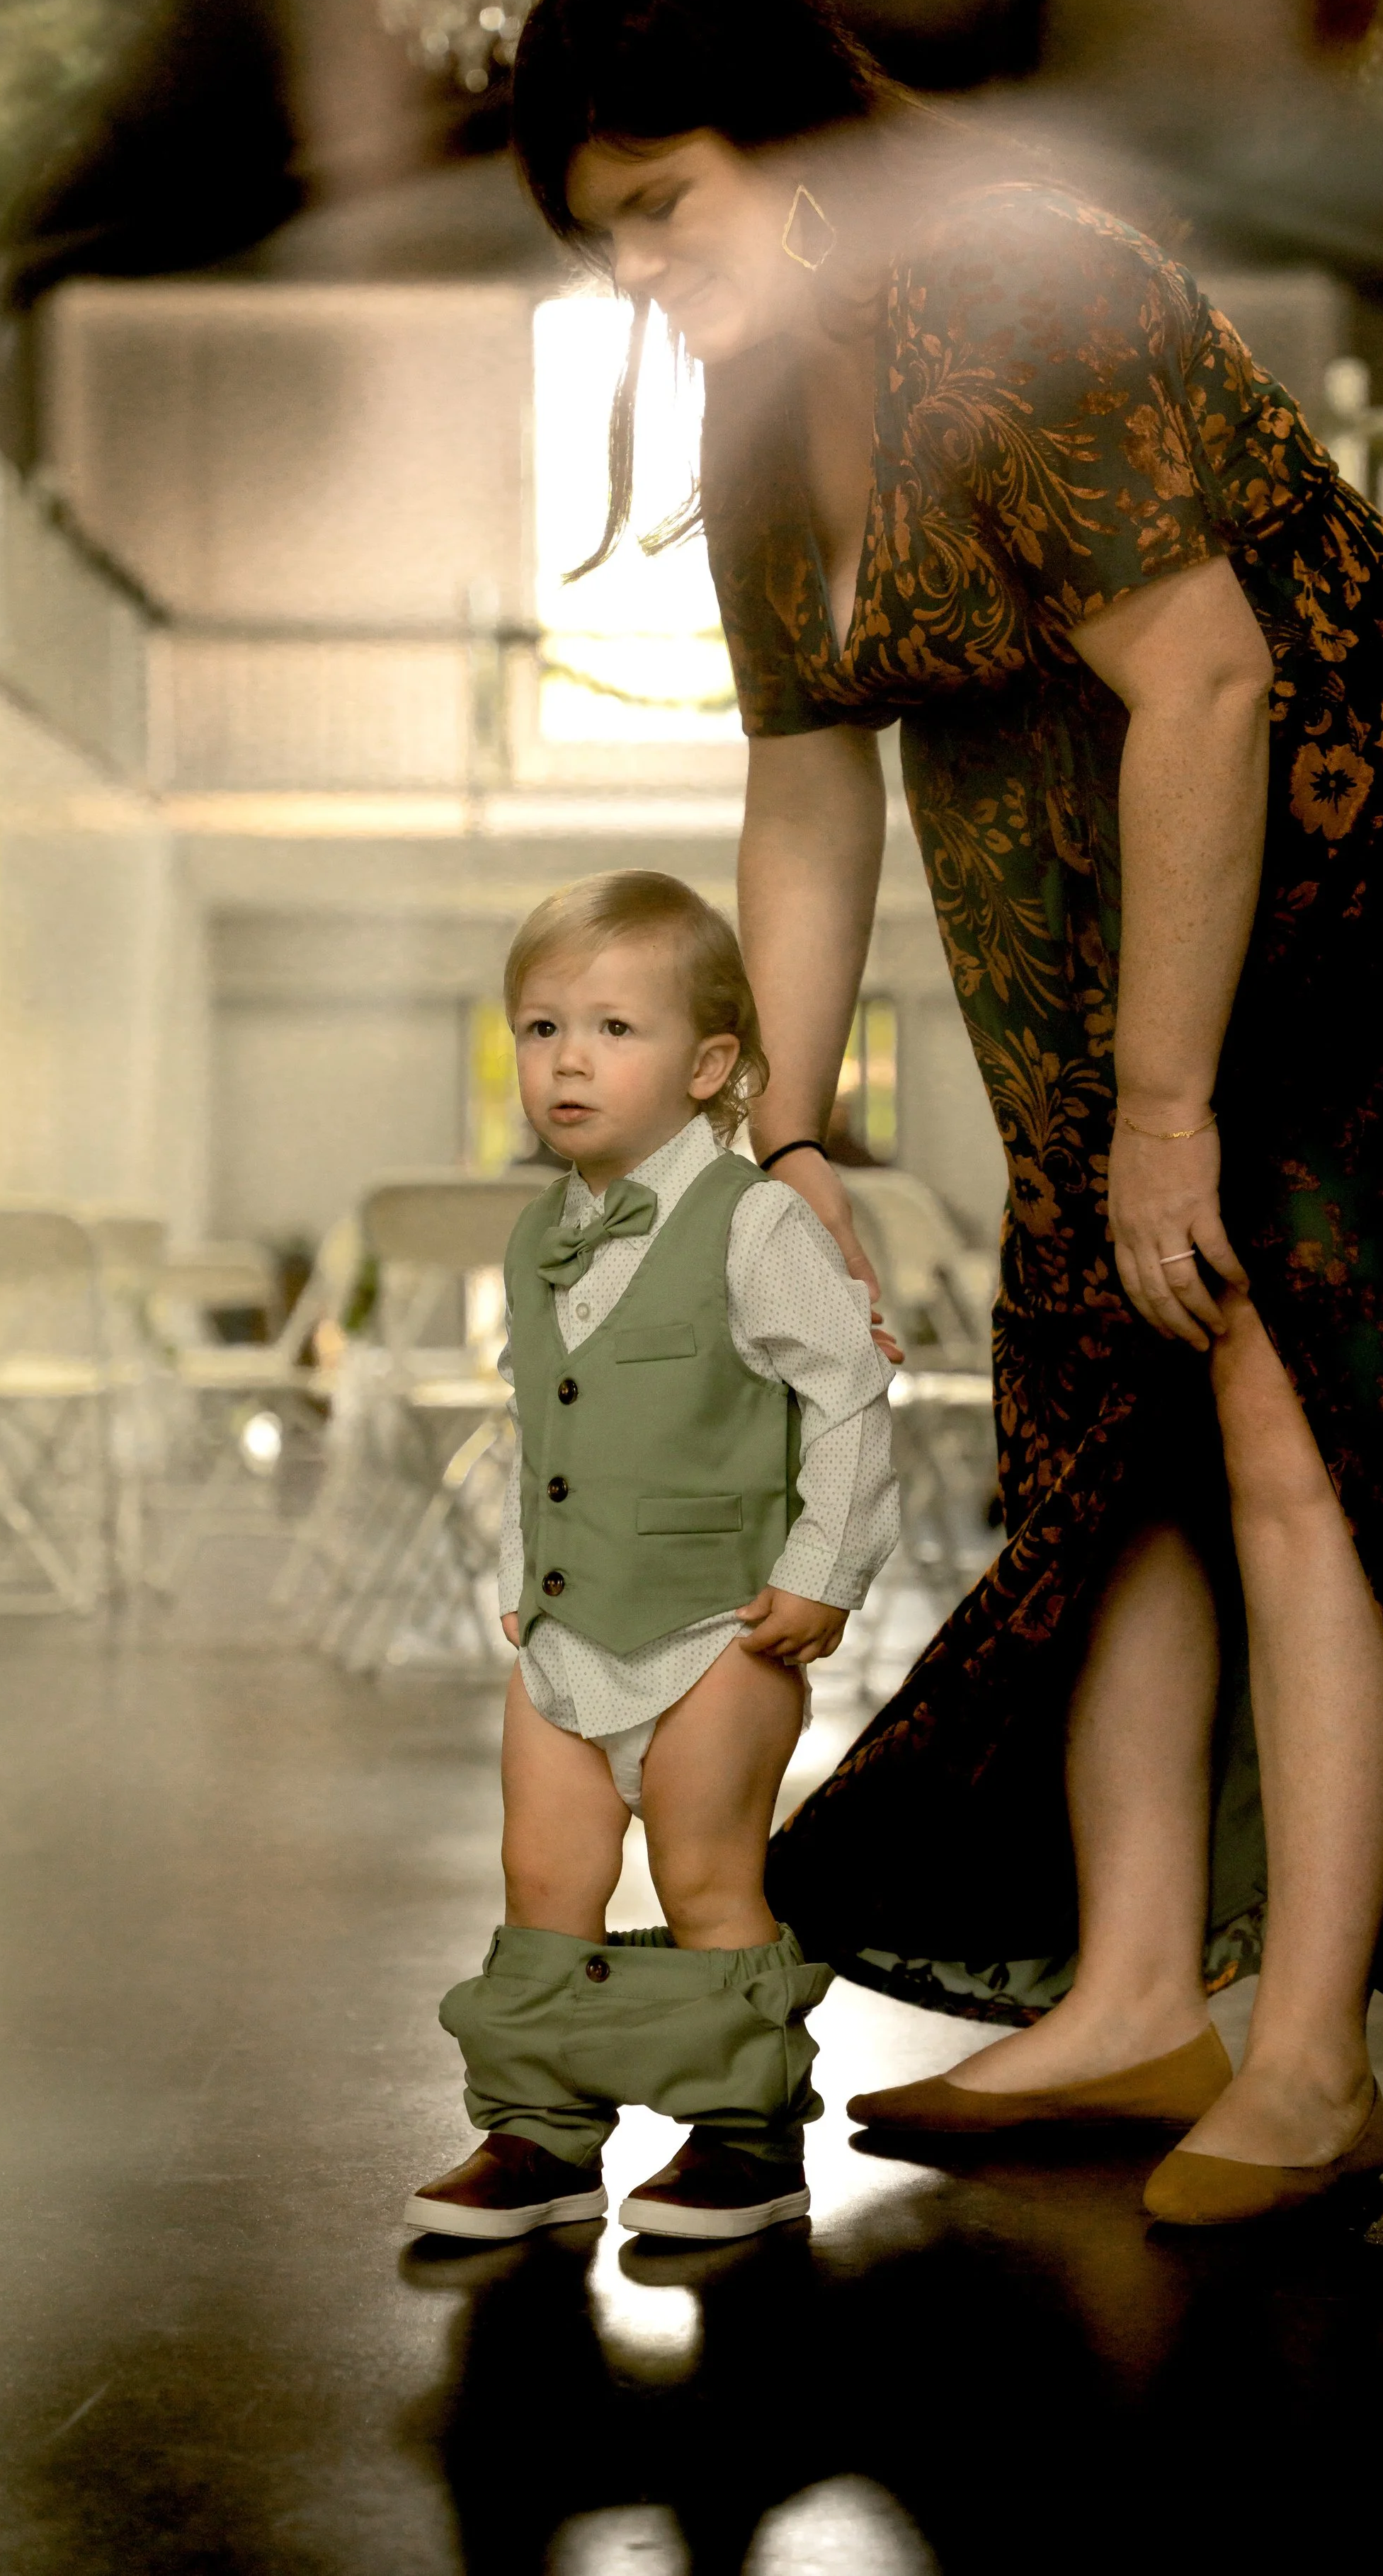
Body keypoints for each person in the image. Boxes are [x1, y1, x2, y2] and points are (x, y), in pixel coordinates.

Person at [509, 0, 1383, 2217]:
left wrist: (1174, 1112)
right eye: (600, 237)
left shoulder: (1010, 290)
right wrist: (782, 1136)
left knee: (1283, 1387)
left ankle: (1309, 2063)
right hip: (1125, 925)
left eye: (659, 211)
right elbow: (806, 788)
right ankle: (1134, 2006)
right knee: (1095, 1420)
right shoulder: (759, 399)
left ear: (793, 143)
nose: (639, 275)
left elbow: (1207, 685)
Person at [409, 871, 898, 2243]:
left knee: (704, 1881)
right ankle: (541, 2135)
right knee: (542, 1885)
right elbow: (543, 1418)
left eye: (613, 1030)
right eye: (541, 1026)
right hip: (568, 1633)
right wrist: (526, 1572)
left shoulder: (754, 1224)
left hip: (716, 1629)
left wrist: (820, 1574)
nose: (567, 1058)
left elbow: (849, 1394)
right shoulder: (534, 1234)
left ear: (707, 1066)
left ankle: (742, 2140)